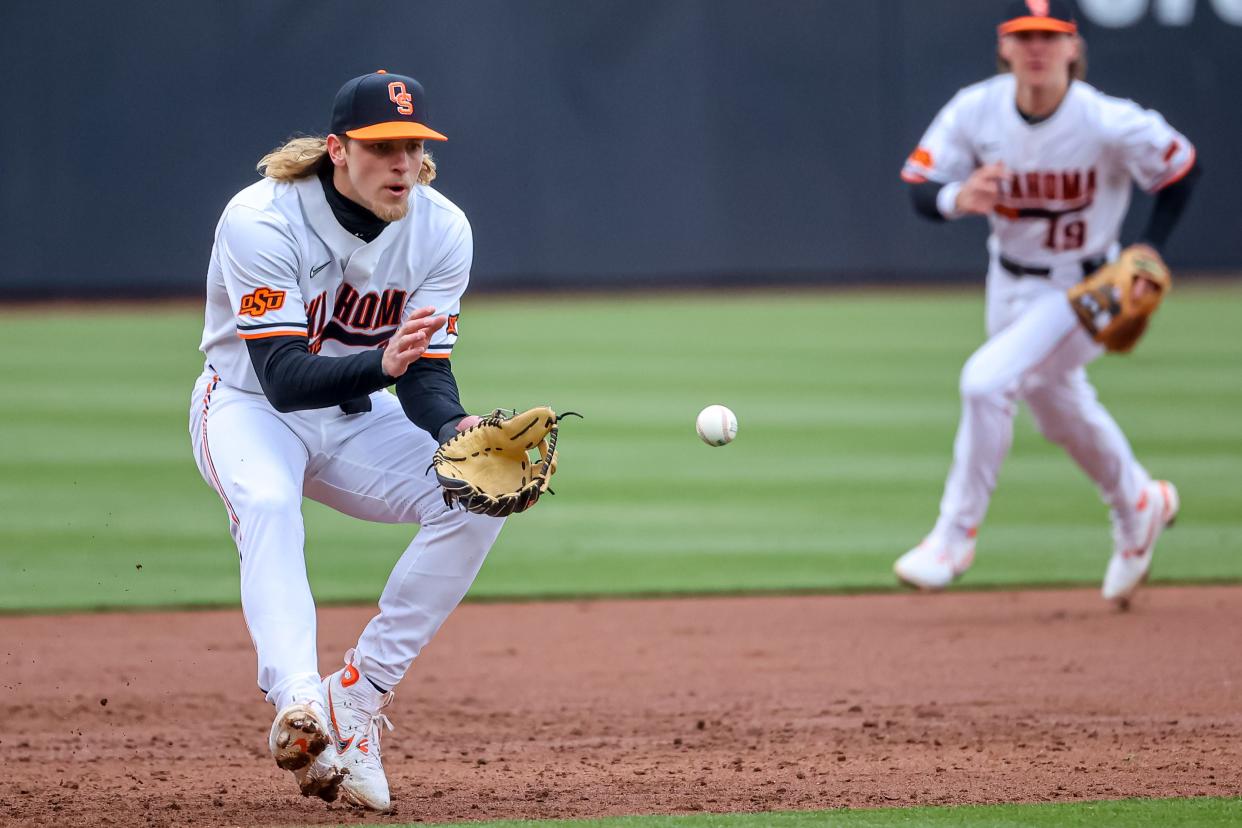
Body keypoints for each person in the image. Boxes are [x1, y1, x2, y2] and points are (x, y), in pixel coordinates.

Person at [188, 70, 505, 810]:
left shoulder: (442, 229)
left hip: (351, 414)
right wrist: (385, 363)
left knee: (475, 491)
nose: (402, 163)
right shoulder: (260, 218)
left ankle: (352, 702)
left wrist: (460, 429)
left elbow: (426, 377)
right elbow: (284, 378)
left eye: (413, 147)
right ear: (337, 149)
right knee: (267, 501)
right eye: (381, 146)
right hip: (246, 407)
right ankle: (298, 702)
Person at [895, 0, 1199, 605]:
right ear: (1004, 46)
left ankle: (954, 537)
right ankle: (1139, 503)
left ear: (1073, 47)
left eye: (1049, 36)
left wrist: (1150, 249)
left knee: (986, 383)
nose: (1037, 47)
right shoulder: (975, 108)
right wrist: (960, 196)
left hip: (1085, 290)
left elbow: (1180, 168)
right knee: (1059, 412)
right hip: (1007, 283)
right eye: (1024, 35)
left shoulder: (1107, 120)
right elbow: (919, 187)